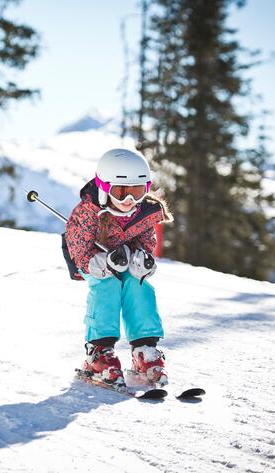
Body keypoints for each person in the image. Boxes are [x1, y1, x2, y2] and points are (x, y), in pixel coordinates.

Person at [65, 148, 173, 389]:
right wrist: (102, 262)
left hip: (125, 259)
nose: (129, 201)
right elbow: (79, 251)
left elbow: (146, 243)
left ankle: (145, 349)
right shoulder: (88, 212)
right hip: (92, 262)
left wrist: (141, 261)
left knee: (138, 285)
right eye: (121, 192)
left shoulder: (144, 212)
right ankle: (99, 351)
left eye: (137, 192)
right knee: (108, 285)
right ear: (104, 188)